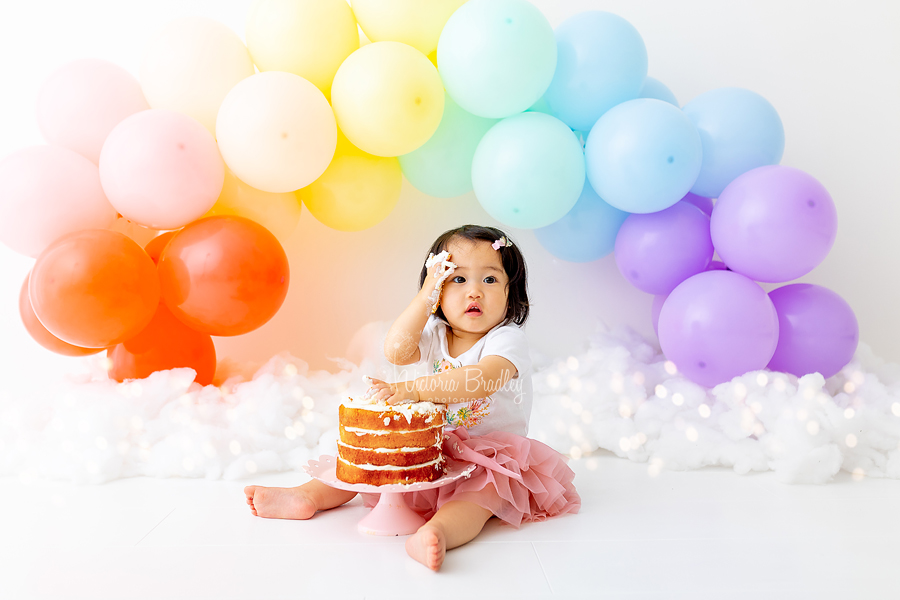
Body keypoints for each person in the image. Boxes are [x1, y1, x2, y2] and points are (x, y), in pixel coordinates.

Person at [244, 224, 580, 571]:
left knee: (481, 496)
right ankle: (307, 495)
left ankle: (439, 532)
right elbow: (395, 351)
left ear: (512, 293)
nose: (474, 292)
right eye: (458, 279)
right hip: (431, 447)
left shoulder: (504, 339)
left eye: (490, 280)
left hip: (489, 456)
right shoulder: (434, 333)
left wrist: (414, 390)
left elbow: (481, 379)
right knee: (369, 465)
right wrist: (423, 299)